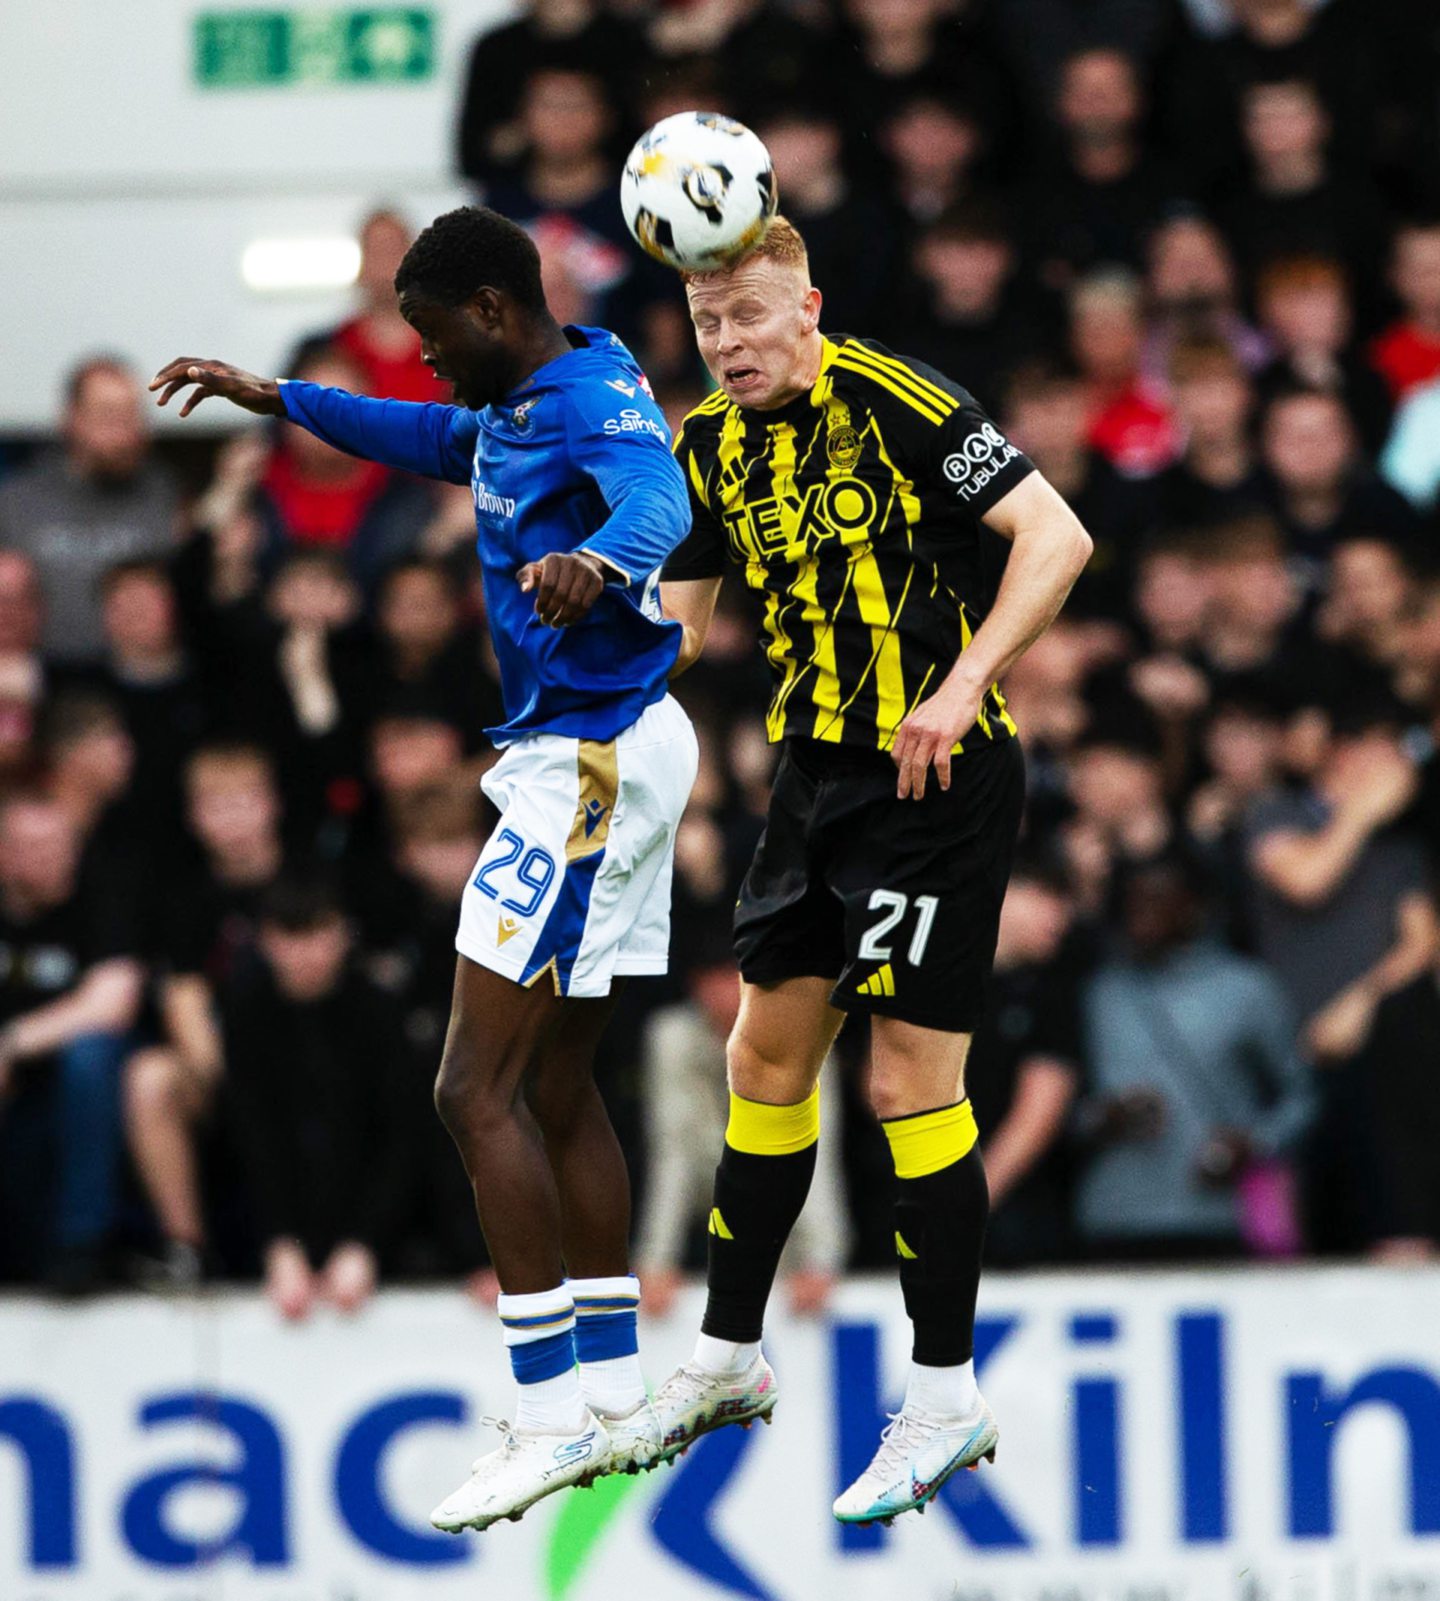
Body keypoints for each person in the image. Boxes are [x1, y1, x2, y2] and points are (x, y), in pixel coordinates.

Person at [151, 204, 697, 1529]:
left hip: (593, 760)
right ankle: (617, 1390)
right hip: (604, 752)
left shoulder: (589, 400)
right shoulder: (525, 397)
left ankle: (552, 1413)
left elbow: (661, 496)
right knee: (558, 1084)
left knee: (472, 1086)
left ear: (497, 312)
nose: (426, 360)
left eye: (432, 333)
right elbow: (433, 436)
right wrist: (275, 395)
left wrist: (597, 557)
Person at [655, 217, 1093, 1524]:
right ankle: (730, 1358)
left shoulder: (898, 399)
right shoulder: (704, 445)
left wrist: (965, 685)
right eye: (706, 323)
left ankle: (946, 1393)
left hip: (937, 779)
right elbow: (680, 631)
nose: (728, 344)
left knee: (908, 1077)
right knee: (761, 1058)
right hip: (817, 781)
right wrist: (578, 612)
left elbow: (1055, 539)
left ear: (810, 306)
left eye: (749, 314)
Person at [0, 792, 144, 1292]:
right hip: (13, 1102)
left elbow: (114, 1001)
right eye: (31, 846)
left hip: (77, 1094)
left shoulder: (102, 896)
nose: (49, 858)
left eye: (59, 845)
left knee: (91, 1053)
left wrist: (12, 1042)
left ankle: (82, 1243)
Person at [0, 357, 178, 663]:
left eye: (132, 416)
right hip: (45, 683)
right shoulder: (17, 501)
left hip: (134, 681)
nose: (126, 434)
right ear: (70, 418)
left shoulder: (164, 495)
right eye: (110, 416)